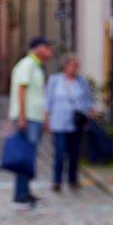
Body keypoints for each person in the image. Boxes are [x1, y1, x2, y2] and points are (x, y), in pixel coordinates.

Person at [7, 36, 54, 206]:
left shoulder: (36, 67)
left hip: (35, 117)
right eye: (48, 48)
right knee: (24, 155)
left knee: (29, 156)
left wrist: (45, 119)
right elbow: (21, 91)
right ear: (38, 48)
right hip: (28, 118)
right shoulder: (27, 65)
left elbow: (40, 96)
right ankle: (20, 193)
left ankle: (25, 191)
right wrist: (21, 117)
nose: (51, 52)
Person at [45, 53, 94, 191]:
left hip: (76, 123)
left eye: (77, 66)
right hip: (59, 123)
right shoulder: (55, 81)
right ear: (65, 66)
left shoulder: (82, 82)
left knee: (74, 153)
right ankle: (56, 180)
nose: (75, 69)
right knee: (60, 152)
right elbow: (48, 102)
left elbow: (88, 100)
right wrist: (46, 120)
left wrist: (90, 113)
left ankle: (73, 179)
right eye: (73, 65)